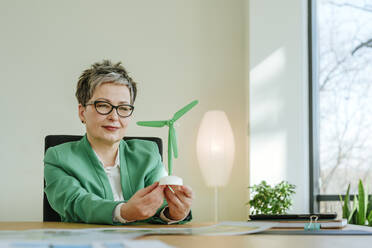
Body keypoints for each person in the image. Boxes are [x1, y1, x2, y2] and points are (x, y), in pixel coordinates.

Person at [44, 60, 193, 224]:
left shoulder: (148, 153)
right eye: (102, 105)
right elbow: (76, 203)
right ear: (82, 112)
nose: (114, 117)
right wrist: (123, 212)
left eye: (123, 108)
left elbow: (161, 209)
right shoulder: (58, 157)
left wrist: (174, 213)